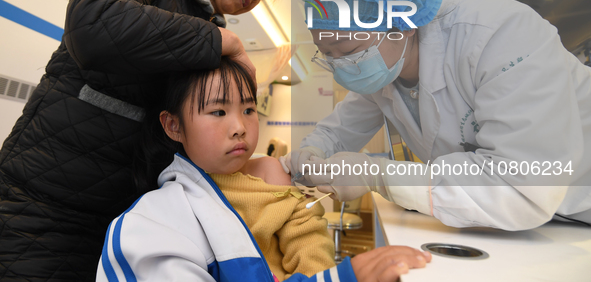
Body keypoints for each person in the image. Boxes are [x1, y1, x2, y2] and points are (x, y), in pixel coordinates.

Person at [0, 0, 286, 281]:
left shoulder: (212, 39)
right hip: (45, 204)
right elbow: (93, 23)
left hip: (129, 223)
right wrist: (222, 41)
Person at [281, 0, 591, 231]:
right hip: (541, 223)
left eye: (348, 53)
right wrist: (312, 151)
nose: (341, 70)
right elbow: (338, 131)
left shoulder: (501, 36)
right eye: (329, 57)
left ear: (404, 23)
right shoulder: (383, 73)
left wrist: (378, 175)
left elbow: (523, 185)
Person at [97, 57, 432, 282]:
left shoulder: (269, 175)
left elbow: (309, 244)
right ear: (173, 126)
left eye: (248, 109)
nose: (240, 127)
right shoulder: (153, 222)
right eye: (218, 112)